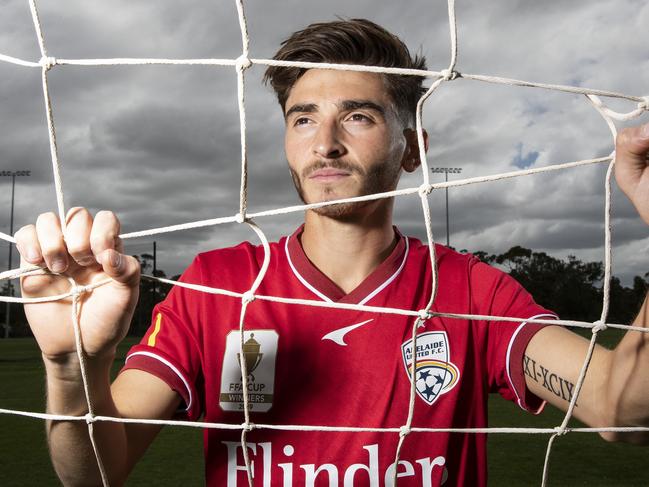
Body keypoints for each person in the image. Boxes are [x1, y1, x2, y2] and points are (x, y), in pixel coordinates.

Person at [16, 18, 649, 487]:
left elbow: (622, 406)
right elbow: (93, 473)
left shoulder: (469, 291)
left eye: (358, 117)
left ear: (412, 148)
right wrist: (73, 364)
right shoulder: (218, 284)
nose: (325, 143)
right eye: (302, 119)